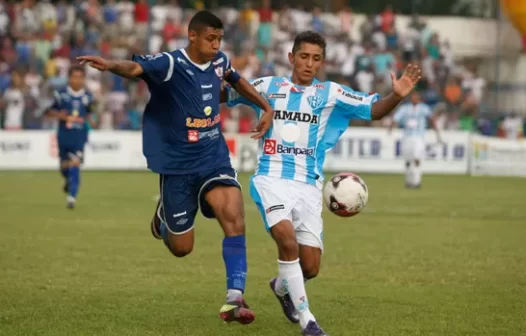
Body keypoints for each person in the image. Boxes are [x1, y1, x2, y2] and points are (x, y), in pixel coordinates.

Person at [77, 10, 274, 323]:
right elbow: (135, 67)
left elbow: (236, 80)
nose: (215, 44)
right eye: (210, 38)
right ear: (192, 35)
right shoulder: (171, 63)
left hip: (213, 157)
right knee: (182, 248)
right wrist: (111, 65)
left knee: (234, 216)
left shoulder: (220, 61)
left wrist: (265, 106)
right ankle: (164, 217)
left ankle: (234, 299)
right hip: (178, 166)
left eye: (219, 39)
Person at [224, 31, 422, 336]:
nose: (309, 63)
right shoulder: (267, 87)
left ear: (322, 62)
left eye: (316, 58)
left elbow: (373, 111)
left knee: (311, 267)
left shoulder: (331, 94)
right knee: (287, 241)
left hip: (309, 186)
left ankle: (282, 285)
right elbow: (226, 94)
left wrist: (396, 95)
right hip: (271, 178)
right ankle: (308, 322)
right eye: (303, 56)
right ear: (291, 57)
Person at [46, 65, 95, 209]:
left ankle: (72, 197)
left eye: (80, 77)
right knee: (64, 167)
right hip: (63, 136)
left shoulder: (88, 96)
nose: (77, 80)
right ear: (69, 78)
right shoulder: (60, 95)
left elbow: (90, 114)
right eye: (74, 77)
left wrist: (90, 119)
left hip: (79, 136)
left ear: (84, 79)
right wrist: (59, 115)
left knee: (75, 164)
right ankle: (68, 180)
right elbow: (49, 111)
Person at [390, 91, 441, 188]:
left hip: (419, 137)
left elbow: (431, 119)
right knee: (408, 160)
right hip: (407, 136)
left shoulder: (424, 108)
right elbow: (396, 118)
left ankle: (417, 181)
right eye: (413, 97)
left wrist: (437, 132)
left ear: (419, 98)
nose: (415, 99)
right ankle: (409, 181)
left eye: (417, 97)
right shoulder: (405, 108)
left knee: (417, 158)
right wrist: (391, 129)